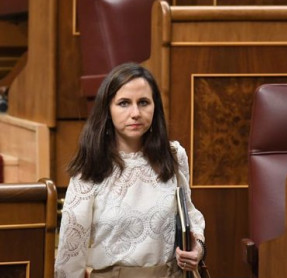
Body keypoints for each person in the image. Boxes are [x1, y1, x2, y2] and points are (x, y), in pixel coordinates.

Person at [55, 62, 206, 278]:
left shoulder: (173, 155)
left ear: (155, 107)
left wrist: (198, 247)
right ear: (108, 109)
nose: (135, 113)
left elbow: (189, 213)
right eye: (124, 103)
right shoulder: (90, 167)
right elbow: (71, 254)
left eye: (143, 102)